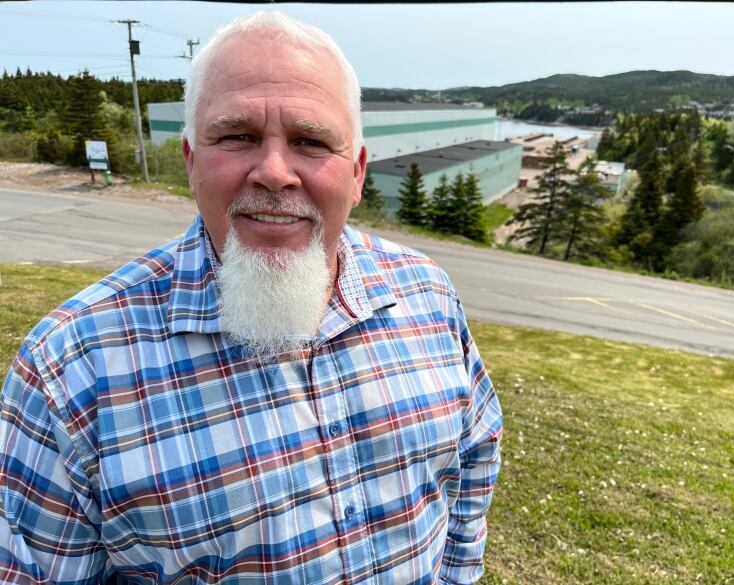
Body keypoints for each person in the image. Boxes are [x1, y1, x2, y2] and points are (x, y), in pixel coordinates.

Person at [0, 11, 502, 585]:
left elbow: (475, 455)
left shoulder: (428, 294)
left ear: (358, 172)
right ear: (191, 161)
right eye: (237, 135)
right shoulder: (70, 369)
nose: (272, 172)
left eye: (311, 141)